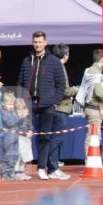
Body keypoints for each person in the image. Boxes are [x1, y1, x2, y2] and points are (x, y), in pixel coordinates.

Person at [17, 31, 66, 180]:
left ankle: (41, 168)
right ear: (33, 42)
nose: (37, 44)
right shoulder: (27, 60)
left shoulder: (54, 61)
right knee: (24, 135)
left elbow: (61, 84)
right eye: (35, 42)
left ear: (45, 43)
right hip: (29, 103)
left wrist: (55, 101)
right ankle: (20, 169)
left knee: (45, 137)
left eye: (40, 42)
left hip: (47, 104)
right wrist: (21, 100)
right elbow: (20, 82)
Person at [50, 44, 77, 180]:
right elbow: (65, 90)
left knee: (54, 139)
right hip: (61, 108)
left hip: (56, 107)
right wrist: (77, 89)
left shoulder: (52, 66)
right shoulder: (60, 67)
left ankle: (52, 167)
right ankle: (53, 168)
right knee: (56, 139)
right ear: (66, 54)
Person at [78, 48, 103, 160]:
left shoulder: (88, 70)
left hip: (88, 107)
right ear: (102, 60)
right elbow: (98, 93)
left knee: (92, 136)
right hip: (94, 109)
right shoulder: (96, 73)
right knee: (93, 137)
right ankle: (90, 162)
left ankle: (90, 161)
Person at [0, 91, 26, 181]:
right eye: (9, 104)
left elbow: (19, 124)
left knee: (14, 156)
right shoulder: (3, 112)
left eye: (12, 105)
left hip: (14, 139)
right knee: (6, 157)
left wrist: (22, 117)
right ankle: (5, 173)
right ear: (3, 103)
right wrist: (19, 117)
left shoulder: (13, 112)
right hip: (6, 139)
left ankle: (11, 172)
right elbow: (10, 122)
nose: (11, 107)